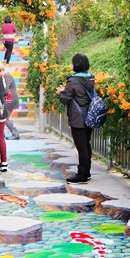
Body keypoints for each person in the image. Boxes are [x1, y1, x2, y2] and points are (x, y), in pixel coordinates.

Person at [56, 53, 95, 184]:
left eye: (73, 63)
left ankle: (82, 174)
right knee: (86, 145)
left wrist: (61, 92)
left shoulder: (73, 81)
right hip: (90, 116)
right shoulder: (90, 78)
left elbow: (65, 99)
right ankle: (86, 171)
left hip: (78, 118)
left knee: (81, 147)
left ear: (76, 65)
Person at [0, 64, 20, 140]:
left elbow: (5, 89)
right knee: (5, 117)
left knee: (5, 118)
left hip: (10, 100)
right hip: (8, 100)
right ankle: (12, 132)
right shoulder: (3, 77)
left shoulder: (7, 76)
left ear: (1, 70)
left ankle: (15, 133)